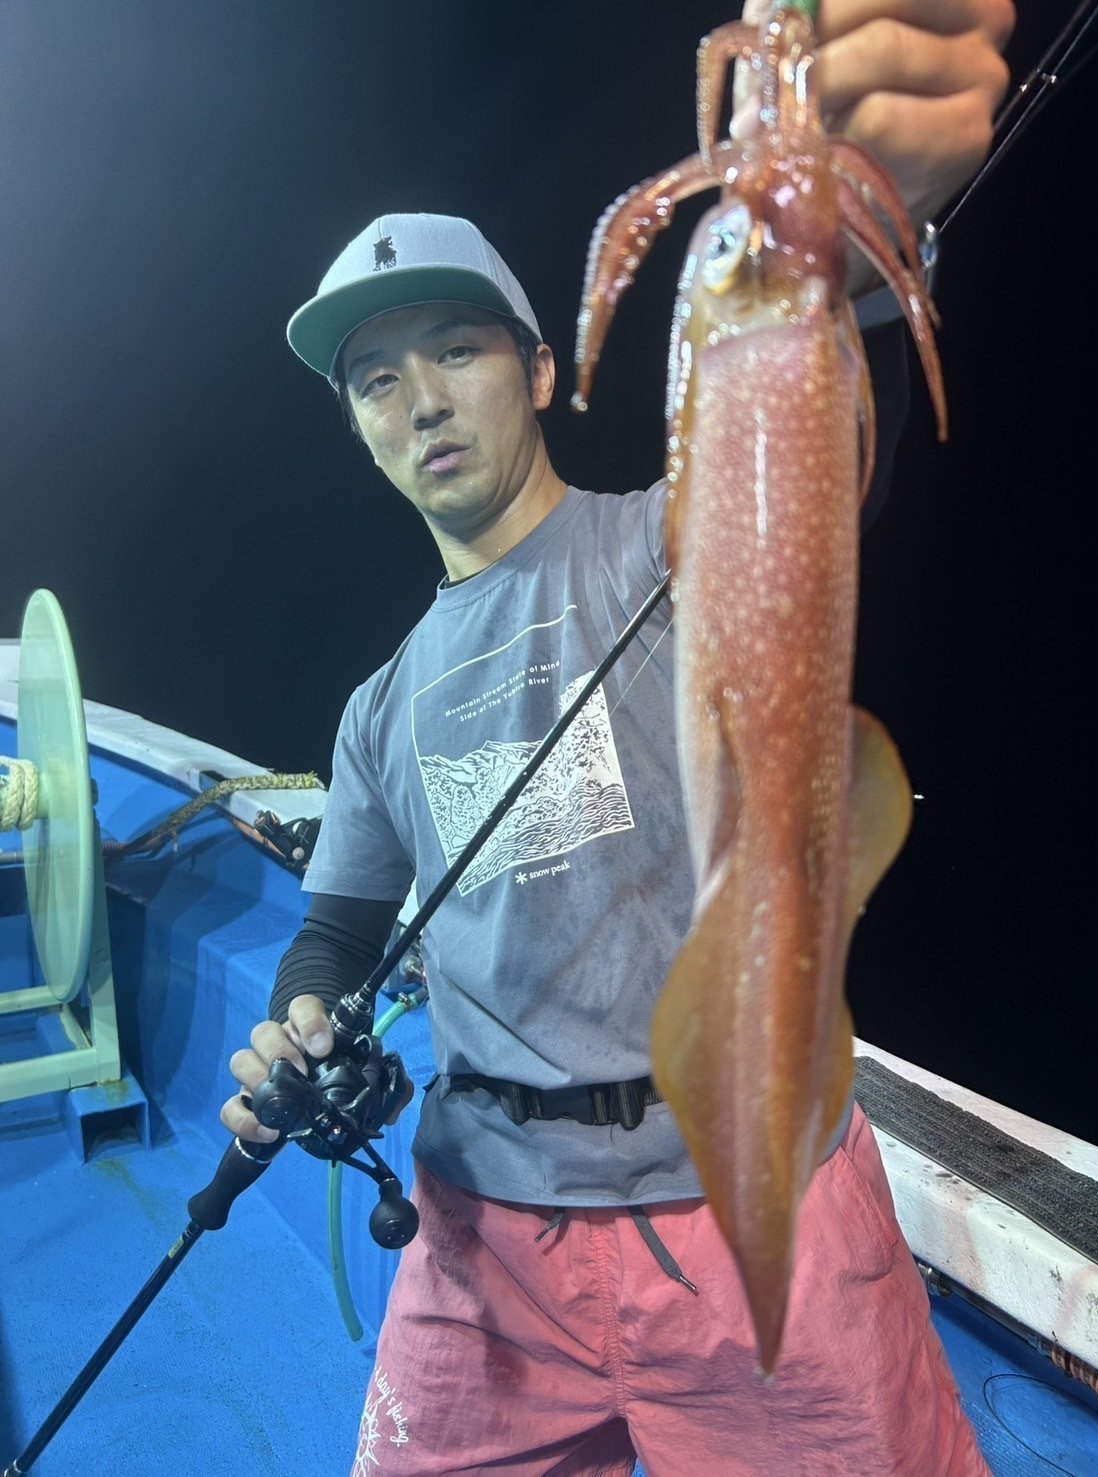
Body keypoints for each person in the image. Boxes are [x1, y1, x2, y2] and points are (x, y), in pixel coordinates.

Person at [222, 2, 1013, 1472]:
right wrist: (302, 1021)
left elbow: (823, 449)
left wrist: (854, 246)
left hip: (744, 1183)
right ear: (358, 428)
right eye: (377, 380)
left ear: (536, 369)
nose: (420, 401)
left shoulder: (666, 538)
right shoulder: (378, 707)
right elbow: (334, 931)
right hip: (483, 1238)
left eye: (455, 351)